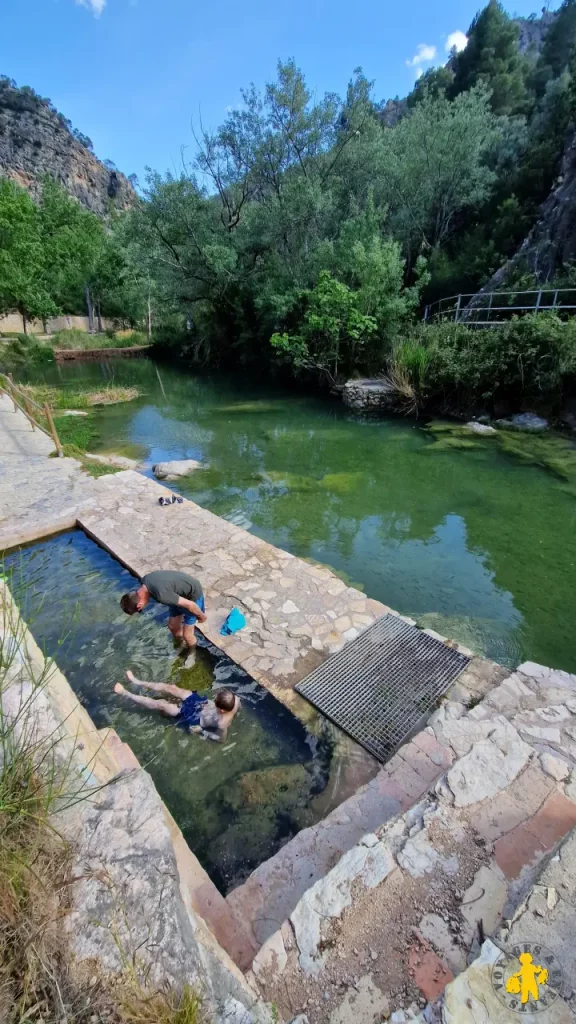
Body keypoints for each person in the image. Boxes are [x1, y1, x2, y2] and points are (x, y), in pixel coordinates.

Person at [114, 671, 240, 742]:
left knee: (161, 704)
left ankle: (126, 693)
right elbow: (238, 701)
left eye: (216, 700)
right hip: (199, 703)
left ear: (222, 710)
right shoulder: (235, 700)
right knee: (171, 688)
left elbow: (221, 739)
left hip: (194, 717)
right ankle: (137, 681)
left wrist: (201, 731)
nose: (214, 697)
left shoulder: (222, 723)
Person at [120, 570, 207, 651]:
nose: (143, 609)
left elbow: (191, 605)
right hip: (175, 595)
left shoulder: (162, 596)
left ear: (139, 606)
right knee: (172, 626)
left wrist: (201, 616)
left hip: (191, 595)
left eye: (140, 610)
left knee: (187, 635)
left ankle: (192, 653)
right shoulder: (144, 582)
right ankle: (182, 644)